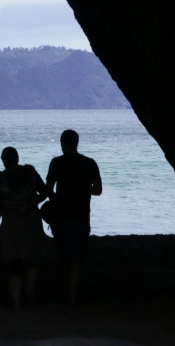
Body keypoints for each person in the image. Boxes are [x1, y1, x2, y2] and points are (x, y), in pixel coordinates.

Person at [45, 128, 103, 308]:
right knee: (76, 259)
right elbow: (98, 190)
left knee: (63, 256)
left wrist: (58, 199)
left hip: (61, 217)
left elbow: (48, 190)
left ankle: (61, 292)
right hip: (81, 216)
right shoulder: (90, 163)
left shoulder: (56, 163)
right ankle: (71, 296)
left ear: (63, 144)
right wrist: (84, 190)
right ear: (77, 143)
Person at [0, 146, 51, 311]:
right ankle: (30, 289)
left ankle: (16, 304)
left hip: (11, 222)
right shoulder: (30, 172)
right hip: (32, 219)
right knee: (35, 257)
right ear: (17, 158)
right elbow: (45, 192)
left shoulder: (0, 179)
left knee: (14, 263)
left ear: (3, 161)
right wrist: (33, 202)